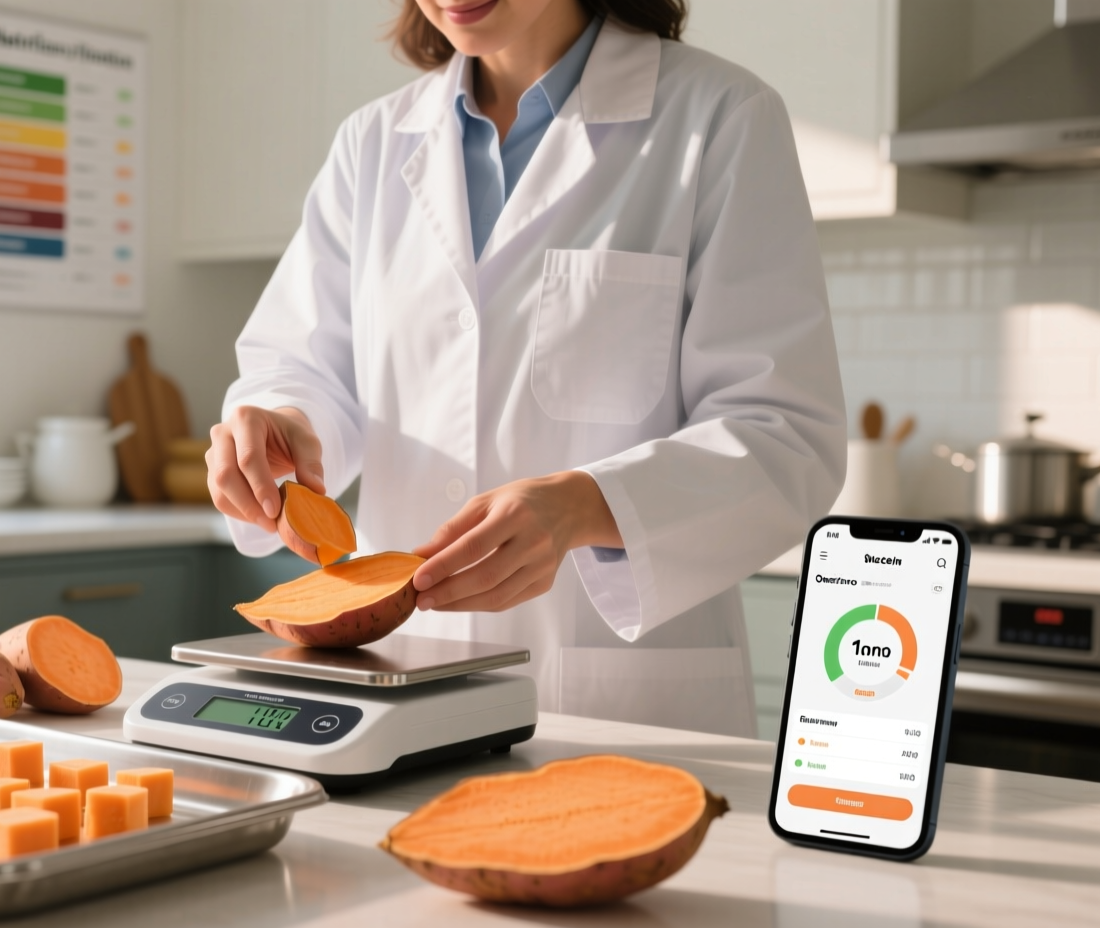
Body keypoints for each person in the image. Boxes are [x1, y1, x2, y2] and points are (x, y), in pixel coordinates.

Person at [206, 0, 845, 737]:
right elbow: (306, 366)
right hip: (402, 688)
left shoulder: (721, 117)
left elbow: (784, 435)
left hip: (617, 706)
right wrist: (286, 423)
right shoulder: (373, 143)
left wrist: (585, 507)